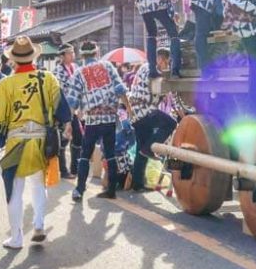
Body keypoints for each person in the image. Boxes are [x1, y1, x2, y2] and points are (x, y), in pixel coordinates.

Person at [0, 36, 71, 249]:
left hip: (16, 142)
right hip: (42, 140)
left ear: (13, 60)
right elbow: (63, 110)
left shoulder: (7, 84)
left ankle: (16, 237)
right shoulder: (48, 78)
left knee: (15, 190)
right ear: (33, 56)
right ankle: (39, 224)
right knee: (37, 184)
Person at [69, 40, 133, 202]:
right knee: (110, 154)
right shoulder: (108, 66)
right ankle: (111, 190)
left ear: (82, 56)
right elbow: (120, 89)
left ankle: (79, 190)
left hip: (92, 120)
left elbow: (72, 101)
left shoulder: (79, 72)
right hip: (110, 118)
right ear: (97, 53)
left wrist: (69, 123)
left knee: (85, 154)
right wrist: (129, 109)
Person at [128, 47, 178, 192]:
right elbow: (160, 92)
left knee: (140, 149)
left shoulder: (143, 67)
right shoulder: (153, 70)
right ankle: (149, 148)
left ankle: (137, 184)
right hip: (145, 110)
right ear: (160, 59)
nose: (166, 66)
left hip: (135, 113)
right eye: (167, 63)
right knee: (170, 123)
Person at [136, 0, 193, 77]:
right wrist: (172, 15)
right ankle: (175, 70)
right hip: (157, 0)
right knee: (174, 35)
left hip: (142, 2)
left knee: (152, 35)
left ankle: (152, 70)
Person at [53, 43, 81, 178]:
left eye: (73, 52)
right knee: (64, 139)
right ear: (62, 56)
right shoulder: (58, 71)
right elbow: (62, 93)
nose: (72, 55)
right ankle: (64, 170)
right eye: (69, 53)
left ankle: (73, 169)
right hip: (63, 109)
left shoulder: (74, 68)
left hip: (74, 109)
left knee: (77, 138)